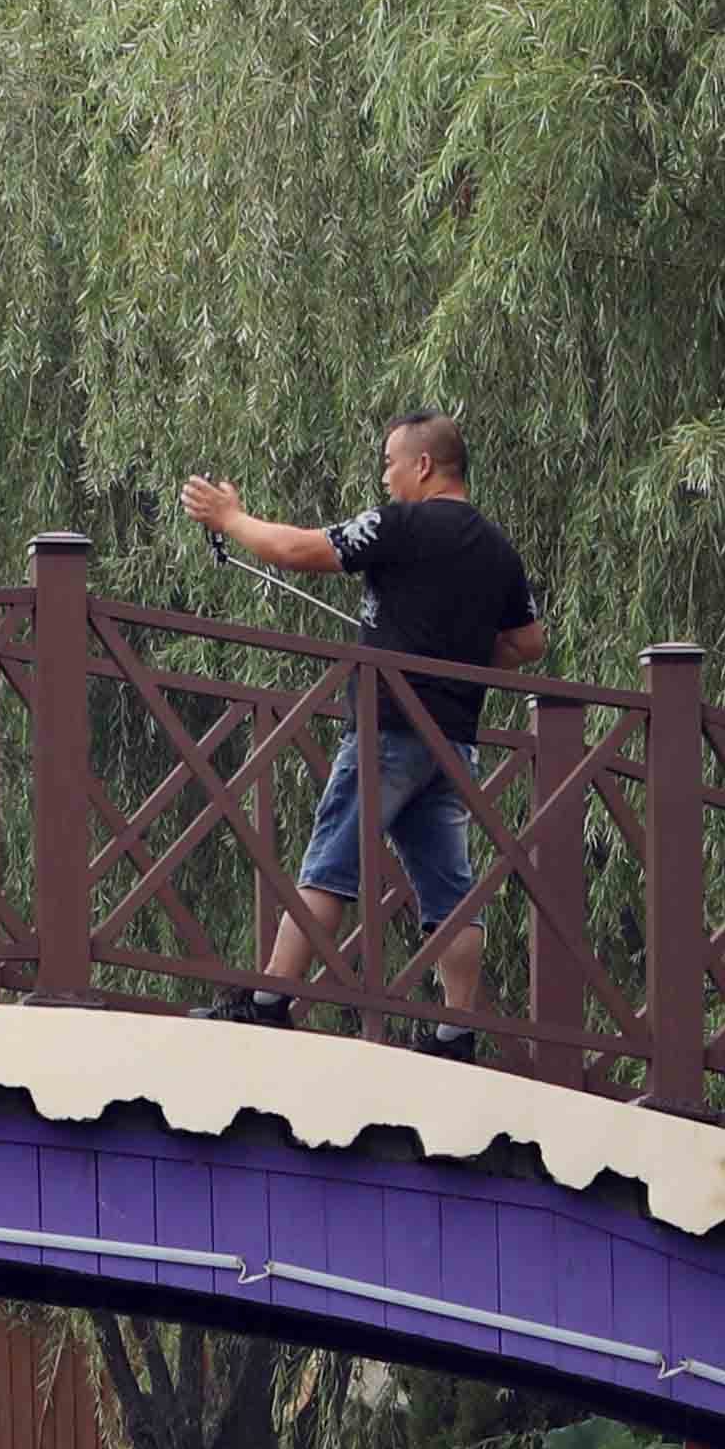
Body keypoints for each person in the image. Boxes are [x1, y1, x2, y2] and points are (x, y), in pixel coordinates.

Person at [185, 409, 536, 1055]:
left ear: (423, 465)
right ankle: (458, 1031)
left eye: (389, 462)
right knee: (451, 889)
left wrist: (229, 519)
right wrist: (457, 662)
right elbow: (527, 643)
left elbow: (296, 550)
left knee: (329, 864)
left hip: (389, 728)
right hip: (454, 739)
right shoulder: (497, 548)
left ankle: (269, 1002)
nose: (386, 474)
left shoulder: (401, 524)